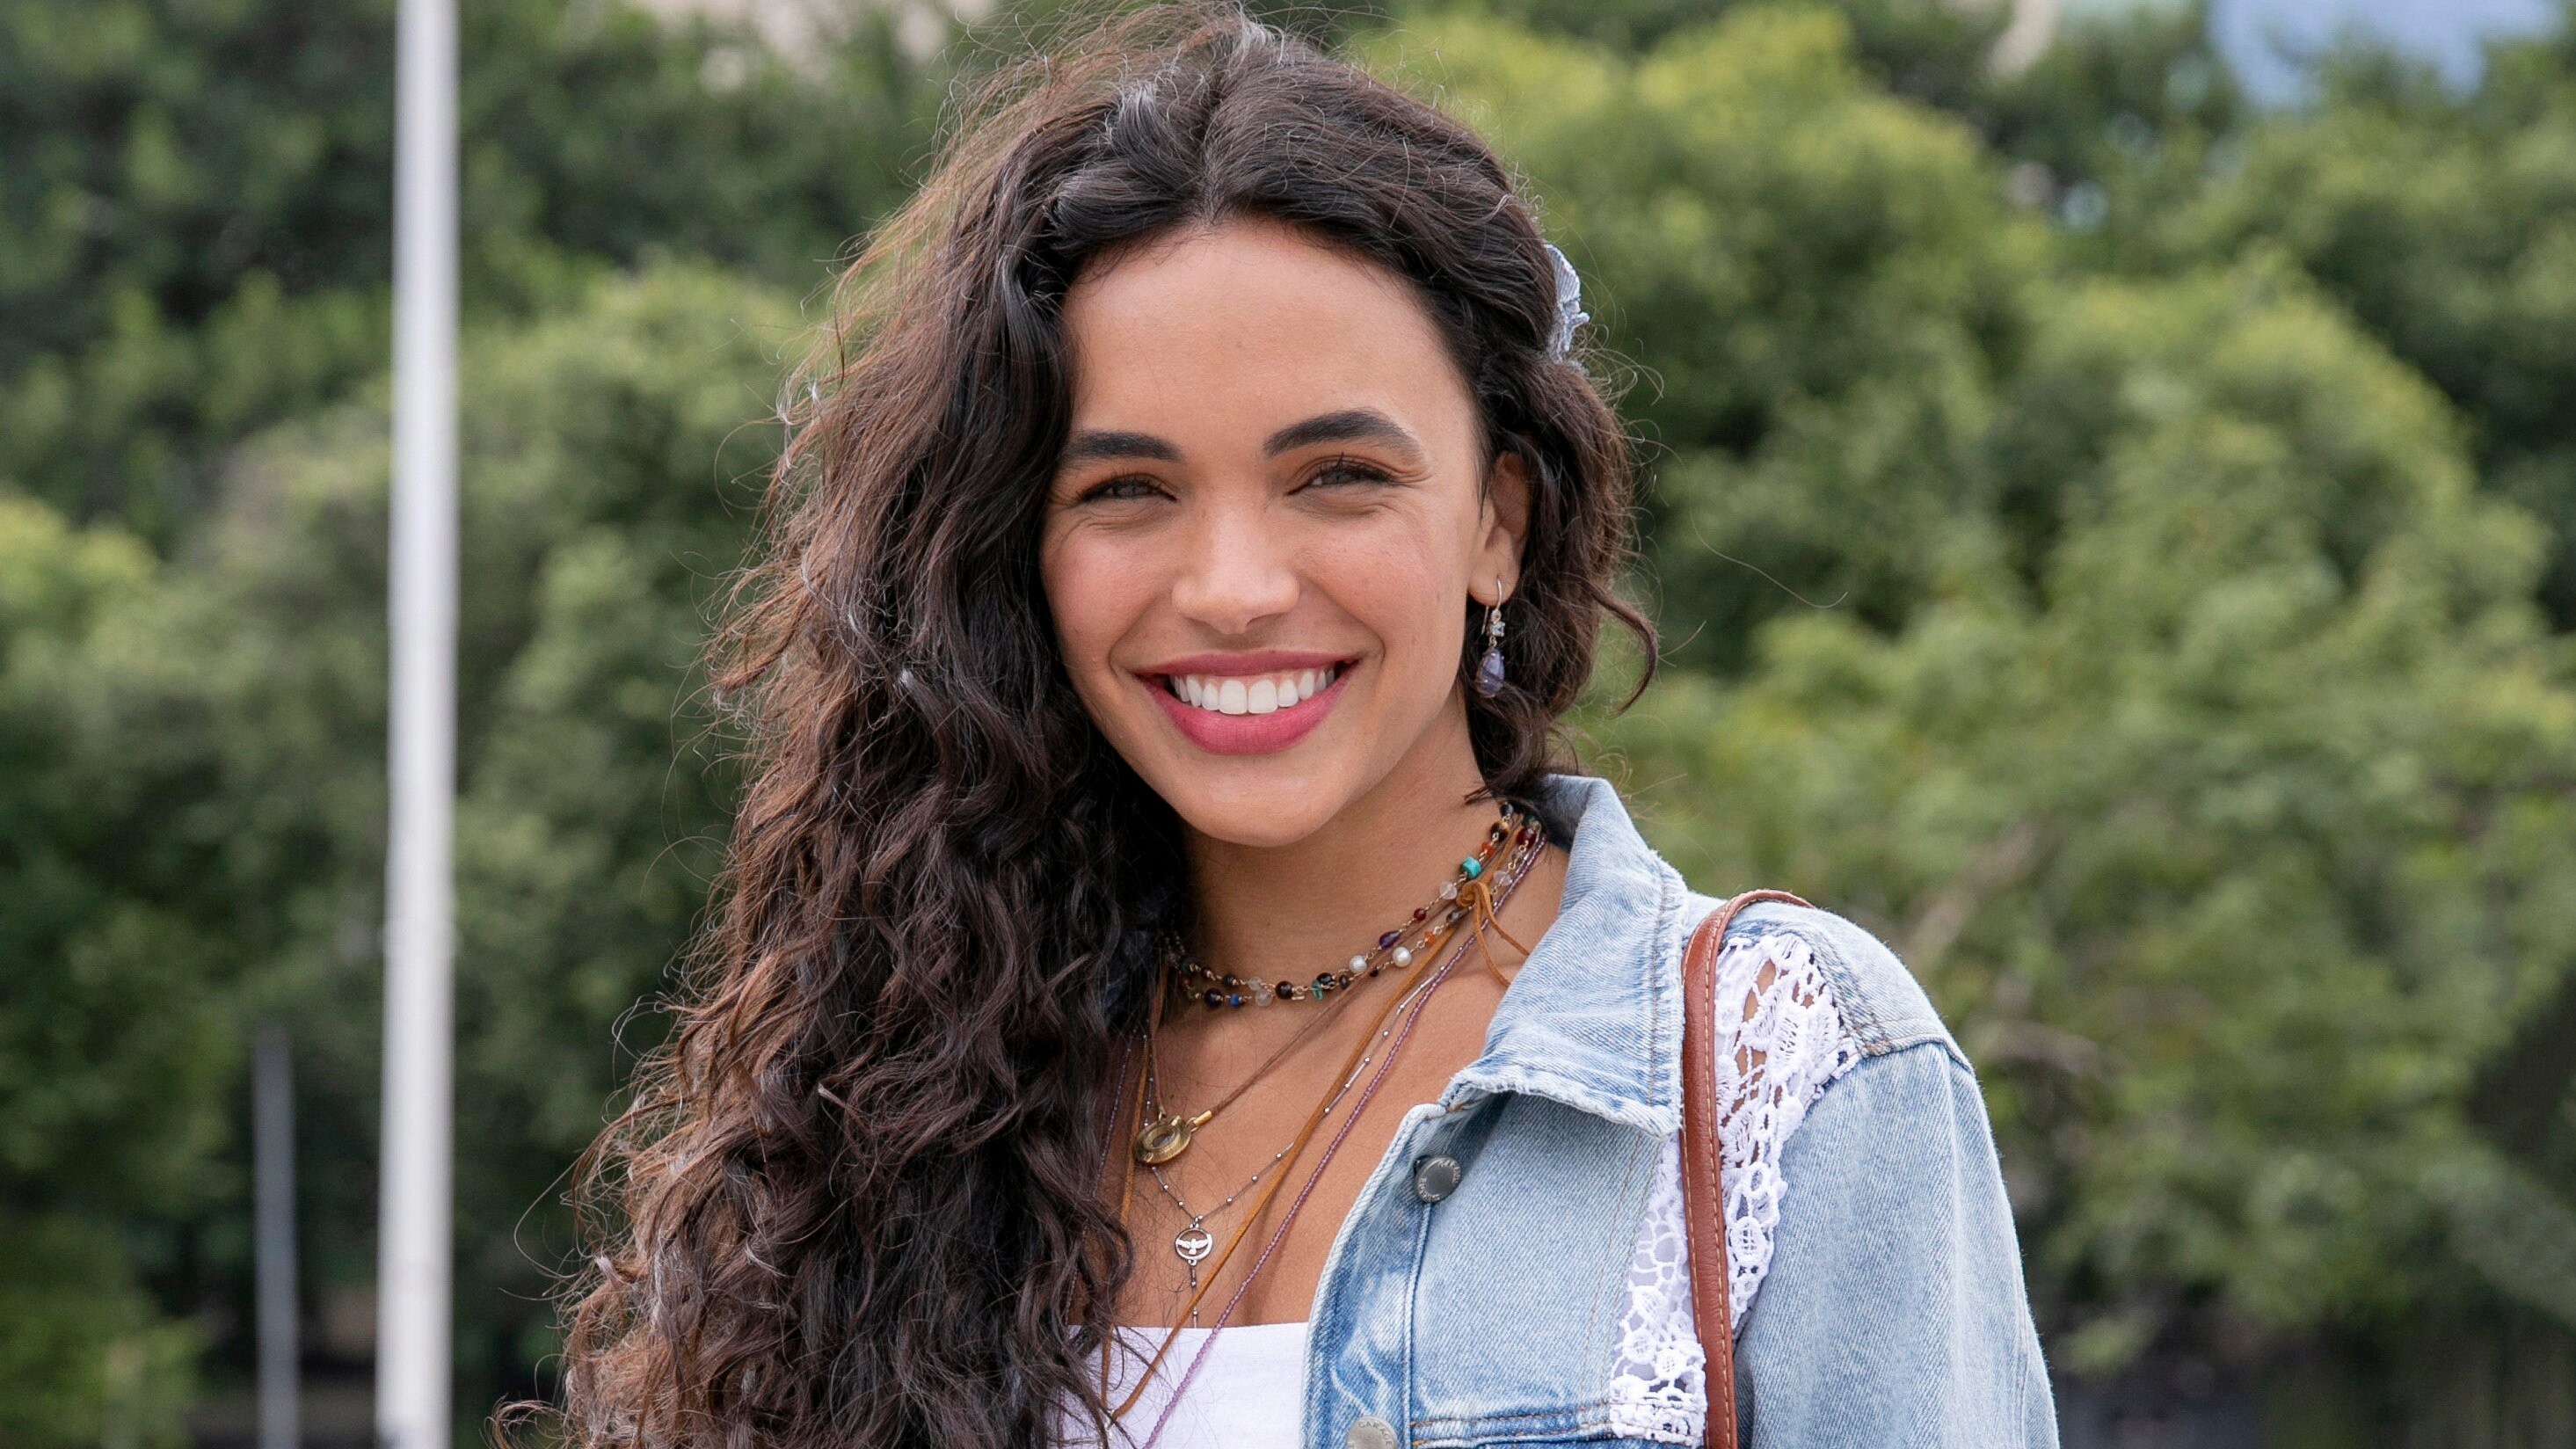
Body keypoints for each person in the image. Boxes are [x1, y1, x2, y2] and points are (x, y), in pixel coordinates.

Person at [545, 6, 2057, 1448]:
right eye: (1126, 491)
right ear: (1024, 557)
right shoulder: (910, 1087)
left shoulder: (1782, 1067)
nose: (1234, 589)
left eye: (1338, 475)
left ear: (1496, 524)